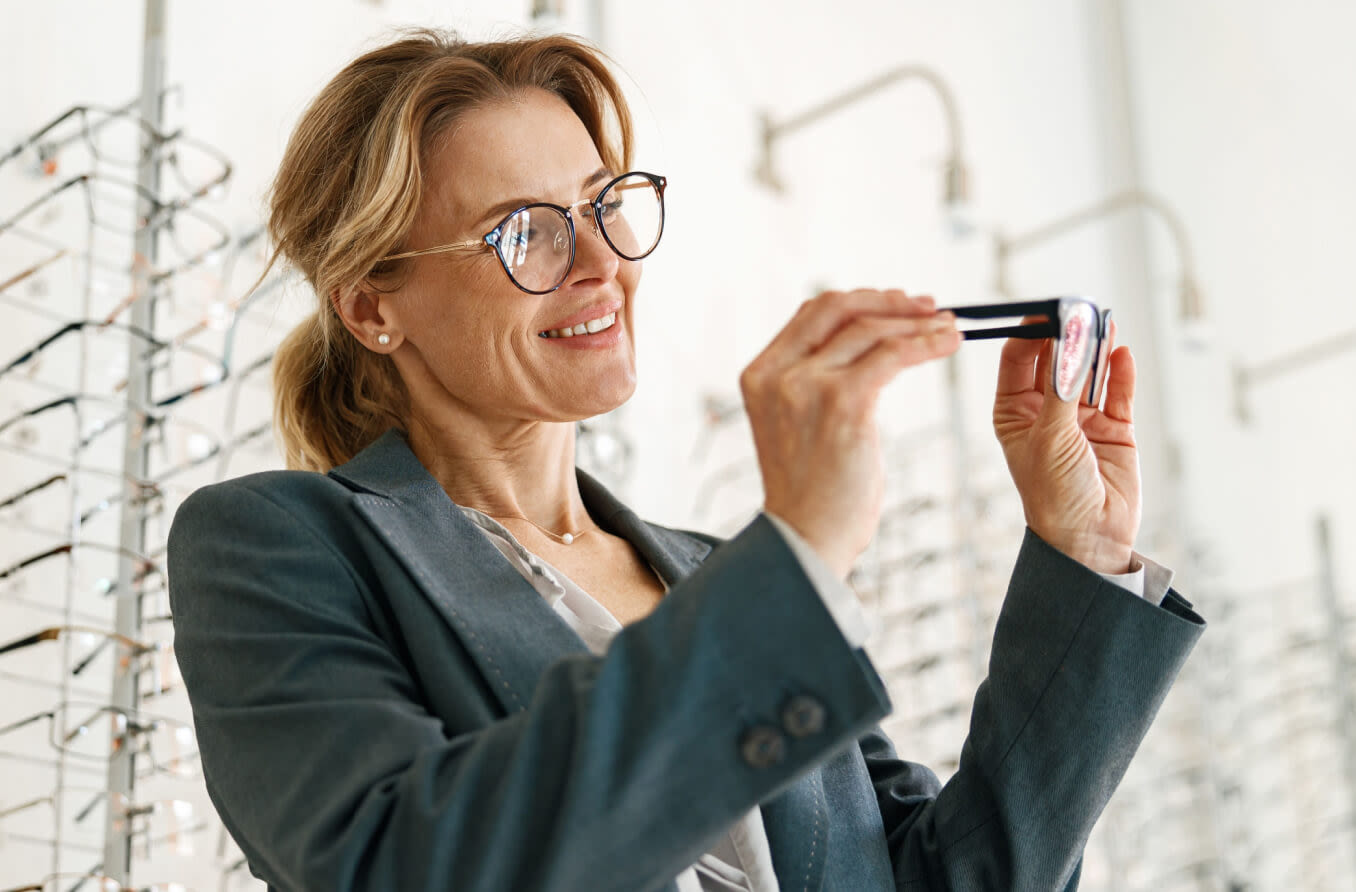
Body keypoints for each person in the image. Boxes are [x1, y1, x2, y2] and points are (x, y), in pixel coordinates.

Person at [166, 29, 1204, 892]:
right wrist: (797, 556)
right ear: (371, 305)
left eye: (604, 204)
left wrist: (1083, 557)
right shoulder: (277, 545)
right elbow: (399, 866)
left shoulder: (719, 579)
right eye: (523, 231)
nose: (603, 264)